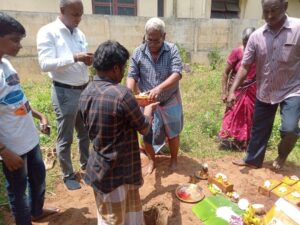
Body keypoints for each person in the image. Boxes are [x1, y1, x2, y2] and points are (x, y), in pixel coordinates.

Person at [78, 40, 158, 225]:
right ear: (115, 68)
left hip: (100, 169)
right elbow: (144, 128)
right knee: (121, 216)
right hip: (120, 170)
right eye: (123, 68)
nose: (123, 73)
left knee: (111, 216)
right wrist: (148, 111)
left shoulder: (86, 92)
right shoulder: (122, 95)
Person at [0, 12, 59, 225]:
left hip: (30, 139)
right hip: (13, 148)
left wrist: (39, 115)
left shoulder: (6, 65)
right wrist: (4, 151)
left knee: (38, 179)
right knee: (18, 190)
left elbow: (17, 99)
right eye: (14, 40)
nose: (19, 46)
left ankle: (37, 211)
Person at [228, 0, 300, 170]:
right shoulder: (256, 36)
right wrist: (232, 91)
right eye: (265, 11)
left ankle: (282, 156)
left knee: (289, 129)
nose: (269, 16)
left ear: (285, 6)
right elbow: (245, 66)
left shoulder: (298, 29)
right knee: (259, 129)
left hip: (292, 89)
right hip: (265, 90)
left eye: (273, 11)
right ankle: (252, 160)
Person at [37, 0, 92, 190]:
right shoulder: (48, 32)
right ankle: (68, 174)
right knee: (66, 135)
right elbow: (45, 64)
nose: (78, 19)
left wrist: (87, 61)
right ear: (62, 11)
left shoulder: (79, 33)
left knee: (85, 132)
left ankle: (86, 166)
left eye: (80, 14)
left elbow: (80, 59)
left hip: (84, 89)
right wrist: (75, 57)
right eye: (74, 14)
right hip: (64, 92)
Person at [127, 17, 183, 173]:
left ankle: (174, 159)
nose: (152, 44)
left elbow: (177, 73)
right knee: (147, 135)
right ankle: (152, 160)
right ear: (145, 36)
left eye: (156, 40)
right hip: (148, 103)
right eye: (149, 40)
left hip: (169, 99)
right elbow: (132, 75)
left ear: (164, 36)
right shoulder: (138, 52)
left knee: (173, 132)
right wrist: (129, 92)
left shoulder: (172, 49)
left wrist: (159, 88)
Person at [218, 27, 256, 151]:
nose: (247, 44)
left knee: (249, 116)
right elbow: (225, 73)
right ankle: (227, 141)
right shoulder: (237, 52)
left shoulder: (259, 53)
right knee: (231, 114)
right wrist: (225, 92)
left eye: (250, 42)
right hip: (237, 90)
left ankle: (243, 142)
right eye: (245, 41)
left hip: (252, 91)